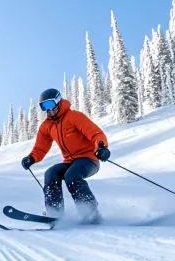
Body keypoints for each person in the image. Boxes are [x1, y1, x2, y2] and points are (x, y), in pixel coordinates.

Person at [21, 88, 111, 222]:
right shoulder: (47, 126)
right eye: (44, 106)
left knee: (72, 176)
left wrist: (101, 147)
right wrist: (31, 158)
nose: (49, 110)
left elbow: (96, 134)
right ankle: (55, 212)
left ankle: (90, 212)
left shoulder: (74, 117)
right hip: (69, 161)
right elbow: (41, 147)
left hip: (88, 159)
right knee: (50, 174)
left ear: (58, 102)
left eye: (50, 104)